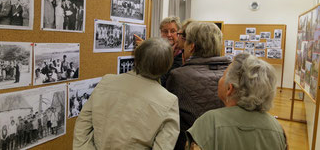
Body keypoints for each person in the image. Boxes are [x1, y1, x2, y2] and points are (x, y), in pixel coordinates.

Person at [73, 38, 180, 150]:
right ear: (167, 66)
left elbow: (82, 126)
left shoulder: (107, 81)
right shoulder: (169, 102)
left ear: (136, 59)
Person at [186, 53, 288, 150]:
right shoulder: (277, 129)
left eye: (223, 75)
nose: (219, 79)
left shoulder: (209, 122)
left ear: (230, 88)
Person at [166, 22, 231, 150]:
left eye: (186, 42)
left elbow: (170, 116)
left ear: (192, 47)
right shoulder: (233, 72)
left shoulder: (178, 76)